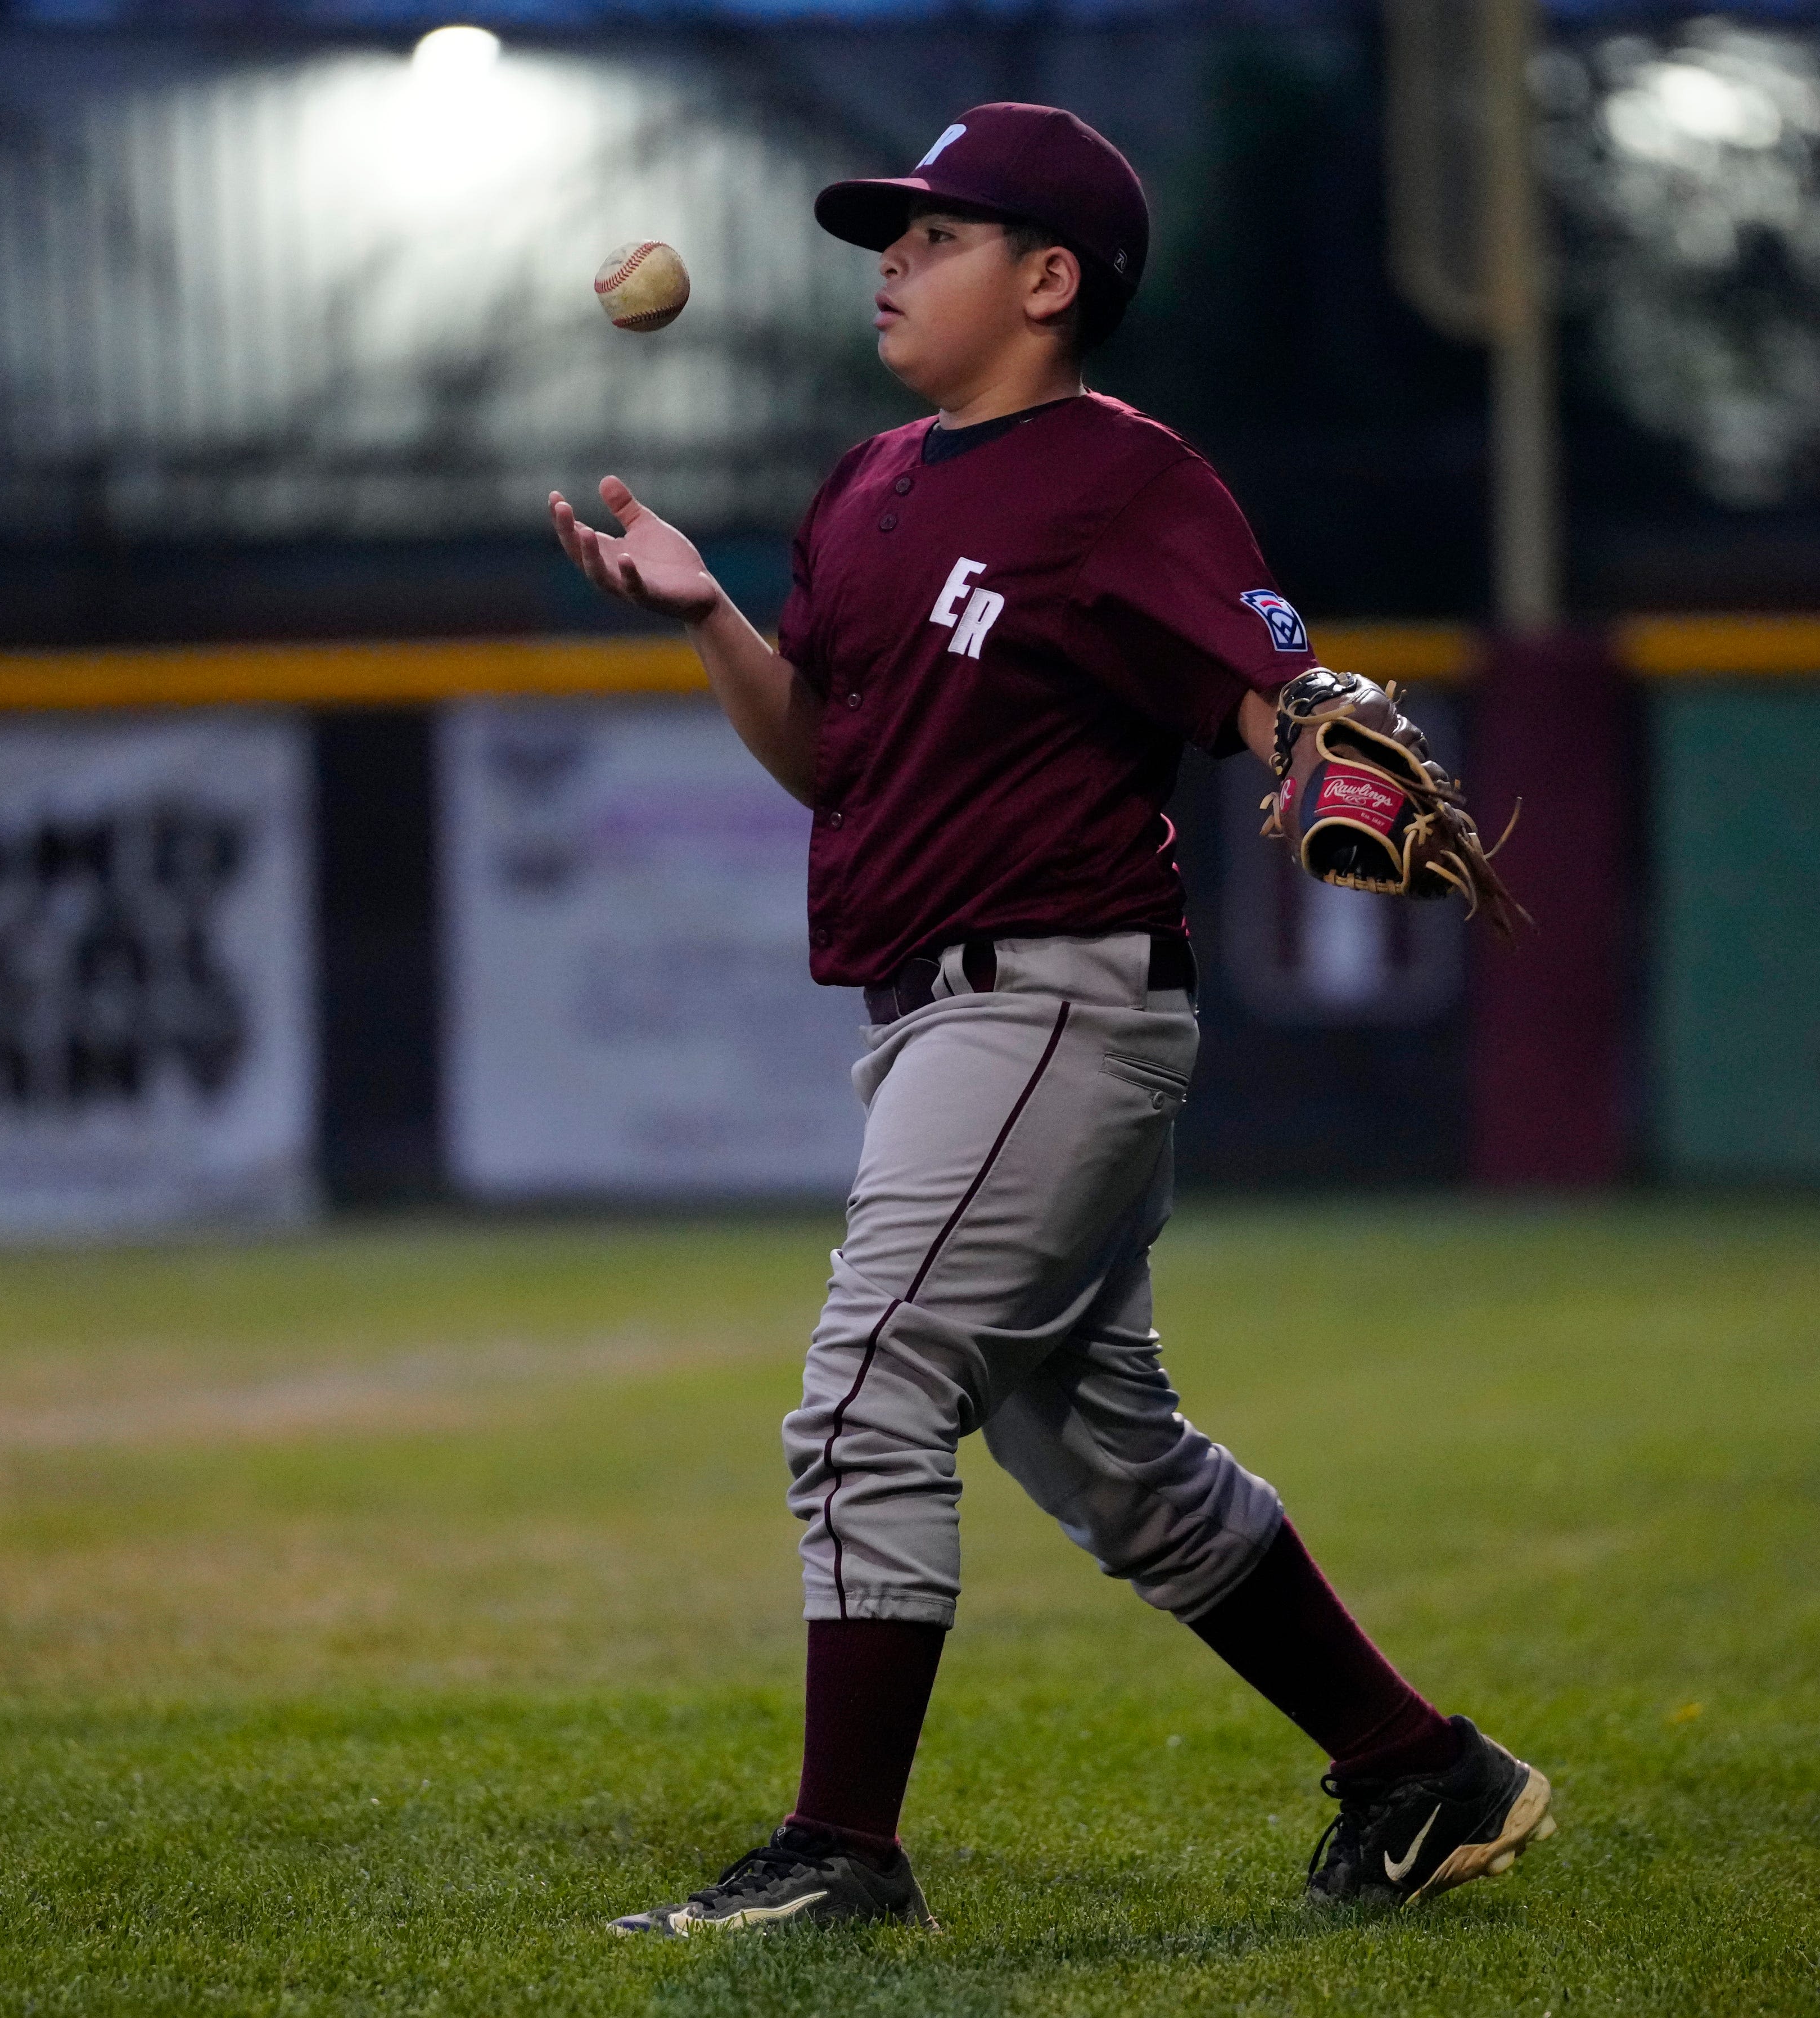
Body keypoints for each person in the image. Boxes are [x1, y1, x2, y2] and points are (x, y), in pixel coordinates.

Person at [549, 101, 1550, 1935]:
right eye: (892, 235)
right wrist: (705, 622)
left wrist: (1316, 748)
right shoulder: (865, 489)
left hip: (1055, 1003)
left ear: (1050, 277)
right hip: (937, 1018)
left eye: (934, 235)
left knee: (866, 1394)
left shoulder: (1123, 478)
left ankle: (843, 1855)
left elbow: (1267, 681)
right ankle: (1422, 1772)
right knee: (1108, 1460)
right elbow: (830, 764)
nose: (893, 260)